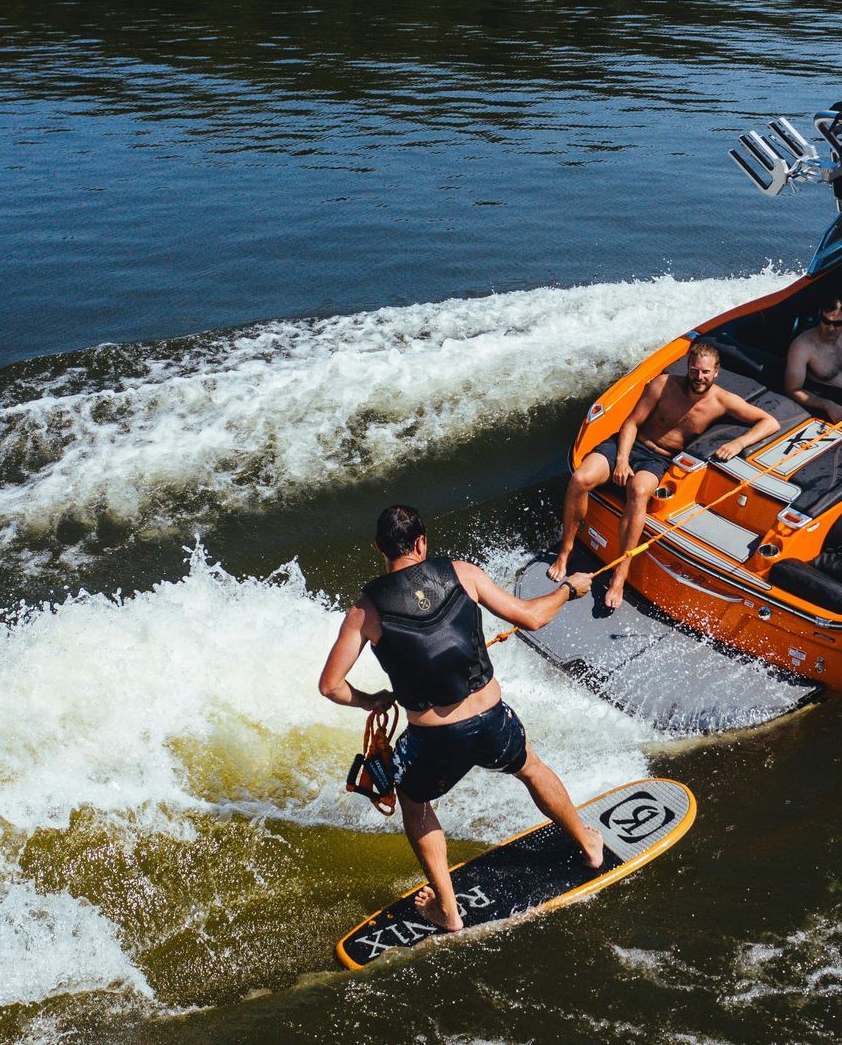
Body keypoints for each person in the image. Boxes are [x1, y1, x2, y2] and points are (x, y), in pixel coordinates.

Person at [319, 505, 601, 933]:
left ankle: (448, 910)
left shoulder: (365, 611)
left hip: (435, 741)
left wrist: (370, 700)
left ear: (378, 548)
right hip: (491, 720)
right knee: (531, 768)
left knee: (414, 804)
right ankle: (589, 845)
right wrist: (569, 590)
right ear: (421, 542)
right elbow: (533, 617)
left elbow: (331, 686)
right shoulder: (463, 573)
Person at [548, 342, 780, 609]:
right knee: (580, 479)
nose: (699, 377)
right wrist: (621, 460)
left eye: (705, 372)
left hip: (658, 459)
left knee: (640, 492)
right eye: (694, 370)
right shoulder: (663, 384)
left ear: (716, 372)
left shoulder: (722, 401)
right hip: (626, 444)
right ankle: (566, 550)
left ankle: (620, 575)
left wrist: (739, 443)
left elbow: (769, 422)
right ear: (687, 368)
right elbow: (632, 423)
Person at [782, 298, 842, 421]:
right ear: (819, 315)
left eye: (838, 324)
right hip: (829, 402)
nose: (831, 328)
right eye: (826, 321)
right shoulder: (802, 345)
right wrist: (827, 405)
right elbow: (792, 390)